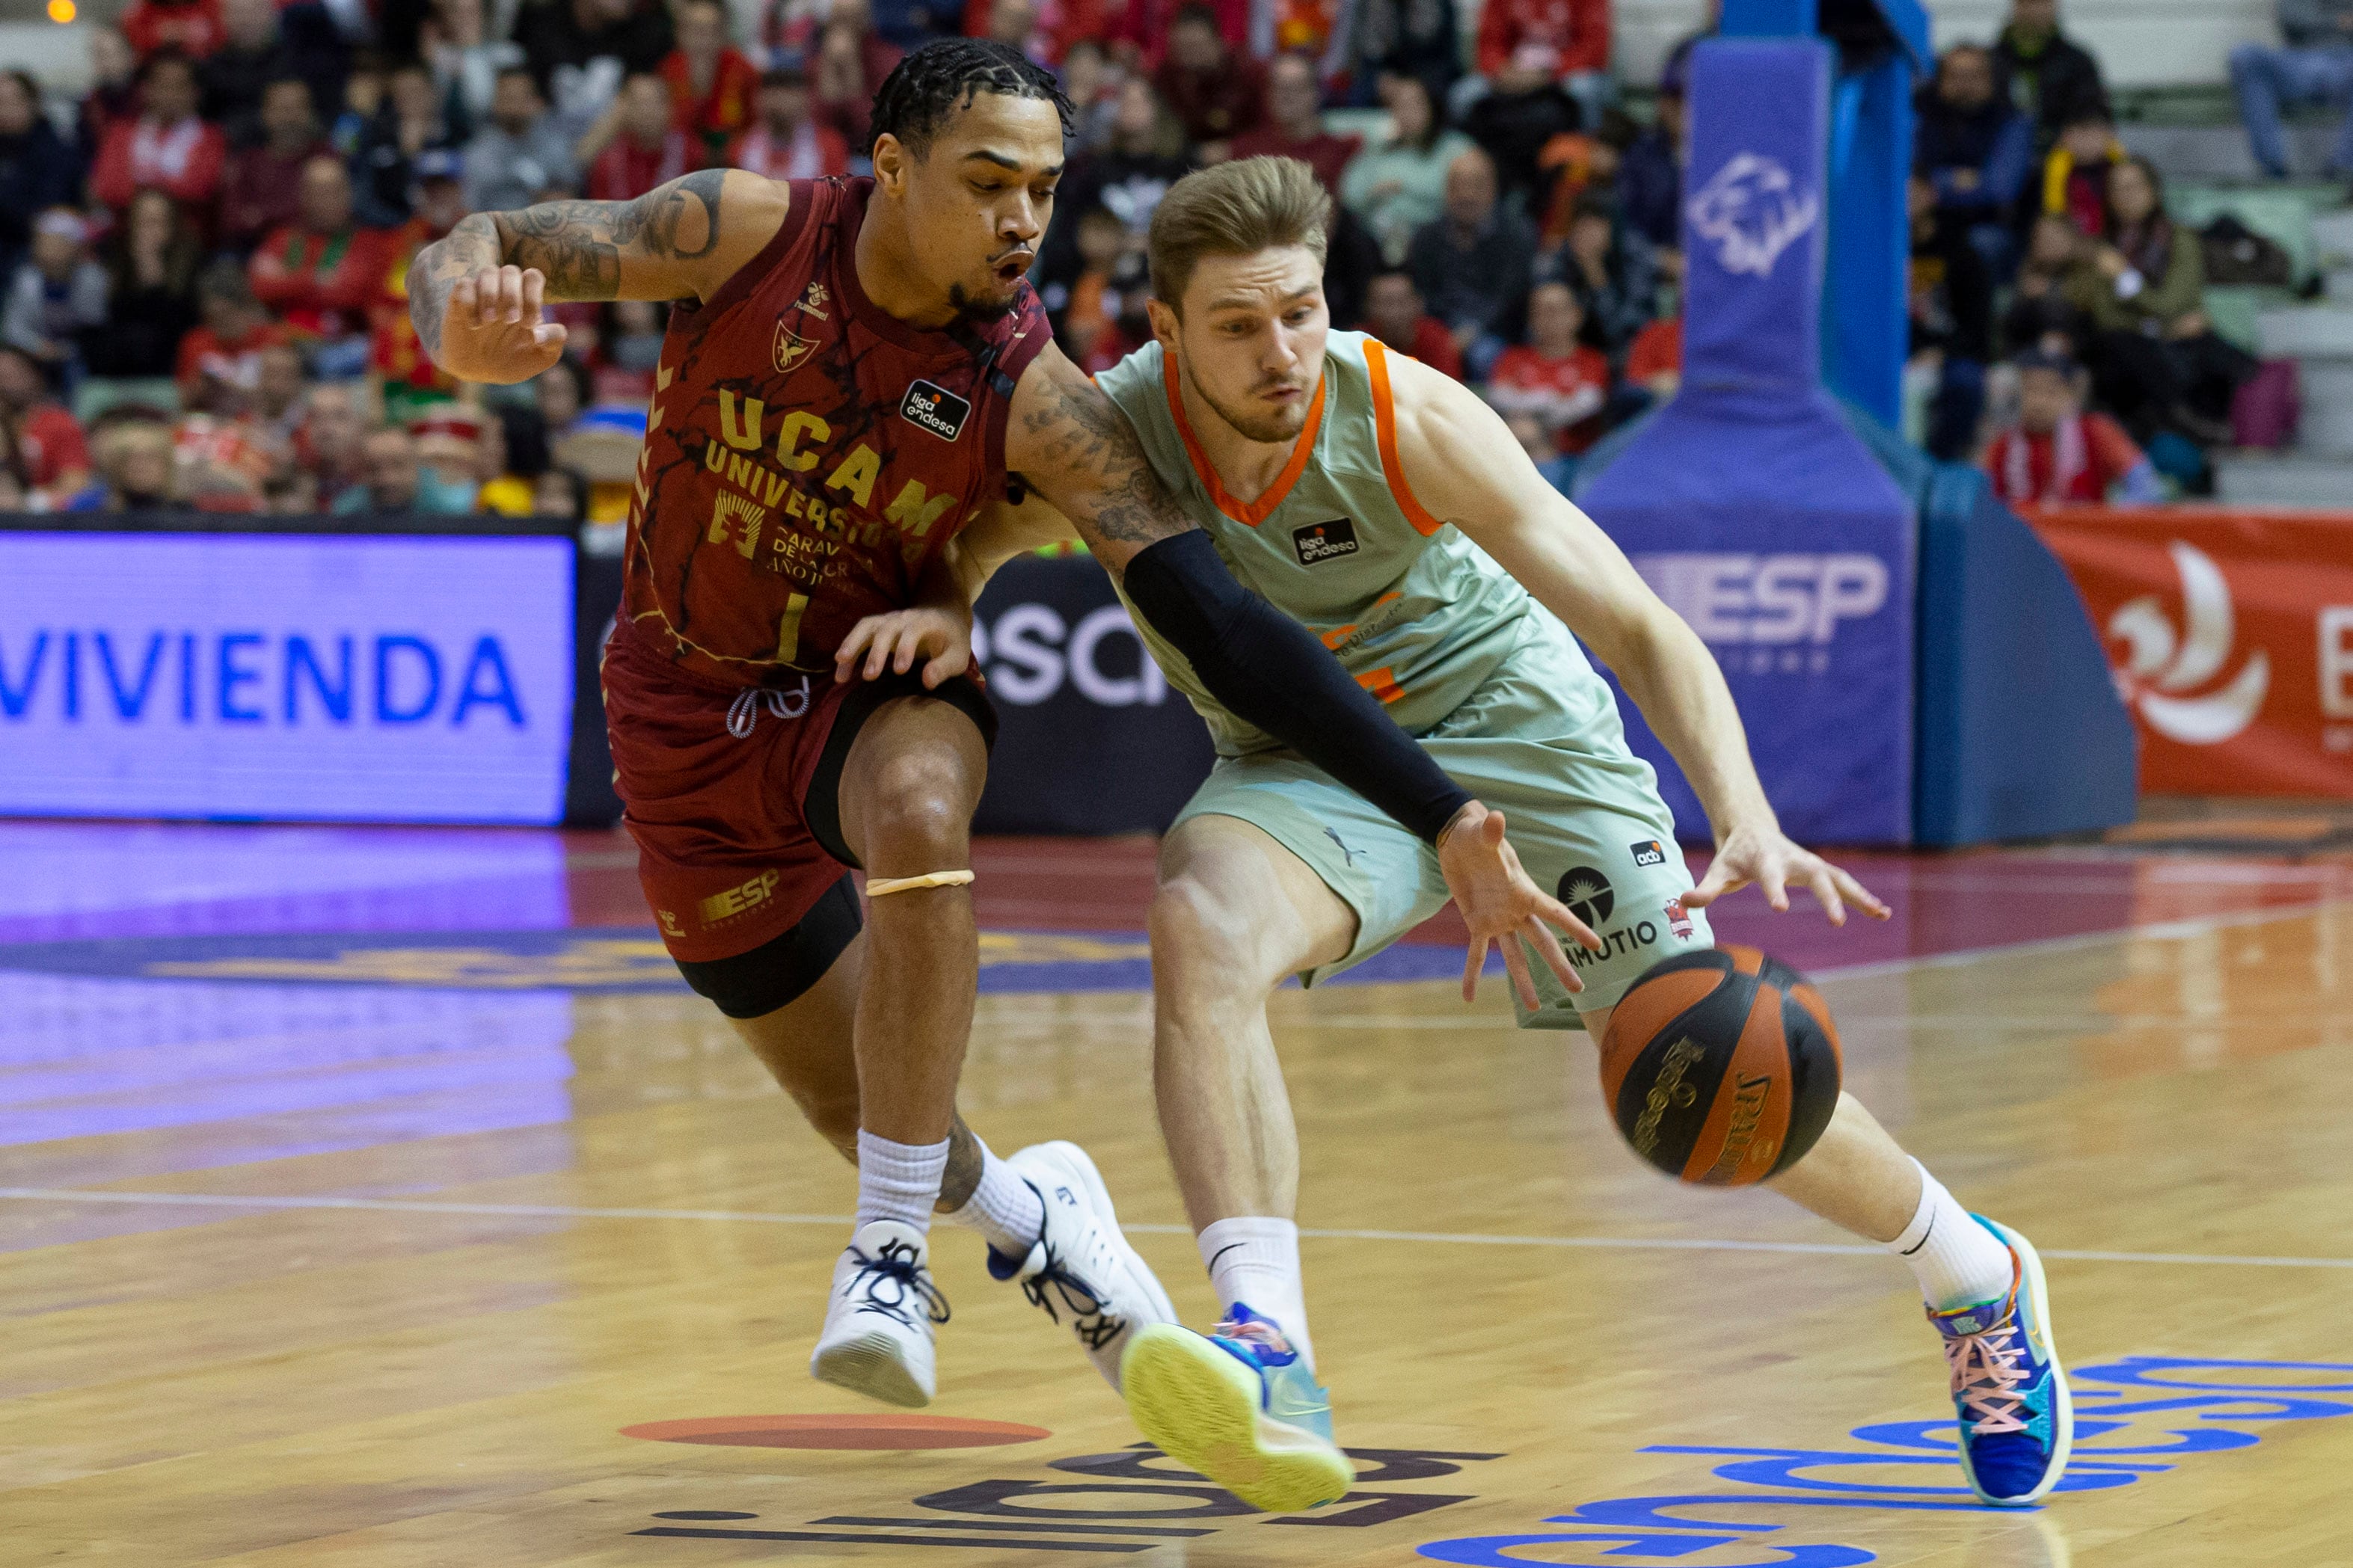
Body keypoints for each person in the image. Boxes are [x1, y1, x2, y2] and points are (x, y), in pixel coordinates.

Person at [408, 37, 1573, 1410]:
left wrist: (1440, 807)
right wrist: (453, 319)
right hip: (673, 714)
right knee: (864, 1108)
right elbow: (481, 238)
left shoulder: (1043, 402)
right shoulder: (741, 229)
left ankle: (888, 1259)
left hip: (875, 676)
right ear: (890, 168)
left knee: (914, 810)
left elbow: (1231, 628)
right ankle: (1040, 1223)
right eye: (988, 182)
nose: (1023, 218)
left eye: (1045, 186)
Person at [948, 155, 2070, 1518]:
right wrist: (934, 613)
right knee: (1198, 925)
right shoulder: (1108, 432)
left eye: (1300, 311)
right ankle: (1268, 1344)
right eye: (1238, 325)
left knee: (1690, 1044)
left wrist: (1747, 808)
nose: (1282, 350)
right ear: (1165, 329)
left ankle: (1971, 1271)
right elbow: (964, 538)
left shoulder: (1406, 415)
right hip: (1309, 762)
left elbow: (1640, 624)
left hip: (1512, 726)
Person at [2064, 156, 2252, 445]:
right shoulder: (2102, 247)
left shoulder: (2181, 240)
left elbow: (2172, 303)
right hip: (2134, 349)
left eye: (2134, 187)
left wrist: (2126, 279)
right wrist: (2158, 325)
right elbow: (2108, 317)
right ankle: (2180, 420)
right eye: (2118, 190)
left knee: (2219, 354)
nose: (2127, 197)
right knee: (2118, 345)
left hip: (2177, 346)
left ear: (2153, 191)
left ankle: (2216, 432)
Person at [1405, 144, 1536, 378]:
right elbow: (1423, 292)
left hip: (1497, 332)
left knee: (1485, 355)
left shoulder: (1516, 233)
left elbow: (1508, 297)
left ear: (1493, 189)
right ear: (1446, 190)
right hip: (1439, 327)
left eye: (1476, 185)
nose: (1466, 195)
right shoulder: (1427, 236)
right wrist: (1442, 332)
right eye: (1457, 186)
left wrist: (1471, 331)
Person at [1984, 345, 2162, 505]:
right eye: (2030, 390)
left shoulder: (2095, 431)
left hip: (2086, 537)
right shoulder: (2002, 444)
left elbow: (2143, 482)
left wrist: (2116, 517)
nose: (2039, 402)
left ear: (2070, 396)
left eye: (2051, 392)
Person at [248, 153, 393, 345]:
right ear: (303, 195)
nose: (327, 200)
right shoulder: (281, 240)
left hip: (341, 347)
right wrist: (315, 279)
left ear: (349, 193)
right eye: (318, 192)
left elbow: (352, 293)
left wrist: (288, 282)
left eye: (334, 191)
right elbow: (260, 287)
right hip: (286, 344)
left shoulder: (370, 242)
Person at [1915, 43, 2032, 279]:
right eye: (1955, 75)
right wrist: (1955, 180)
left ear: (1990, 79)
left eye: (1974, 76)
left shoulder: (2011, 121)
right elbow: (1906, 180)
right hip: (1926, 222)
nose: (1964, 84)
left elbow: (2000, 188)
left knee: (1979, 246)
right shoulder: (1919, 114)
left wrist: (1934, 183)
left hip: (1984, 224)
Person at [1340, 71, 1476, 266]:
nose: (1407, 113)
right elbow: (1350, 194)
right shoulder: (1378, 150)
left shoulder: (1456, 148)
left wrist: (1403, 188)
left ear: (1432, 106)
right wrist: (1374, 193)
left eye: (1415, 104)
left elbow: (1465, 195)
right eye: (1400, 106)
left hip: (1437, 242)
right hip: (1374, 242)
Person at [1907, 172, 1993, 462]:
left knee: (1966, 381)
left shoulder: (1961, 253)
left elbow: (1977, 324)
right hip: (1896, 354)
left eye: (1914, 191)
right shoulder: (1874, 251)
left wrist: (1942, 353)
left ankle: (1943, 465)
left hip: (1950, 353)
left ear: (1931, 194)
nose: (1907, 200)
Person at [81, 188, 203, 387]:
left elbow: (181, 331)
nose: (149, 231)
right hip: (117, 374)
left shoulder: (192, 265)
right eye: (143, 222)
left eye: (157, 222)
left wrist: (155, 279)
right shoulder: (115, 262)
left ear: (172, 226)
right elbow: (107, 325)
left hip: (168, 374)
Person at [89, 50, 230, 218]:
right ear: (146, 90)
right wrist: (169, 186)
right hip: (124, 232)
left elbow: (200, 188)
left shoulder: (211, 137)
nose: (170, 95)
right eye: (162, 86)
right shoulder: (121, 133)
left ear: (196, 92)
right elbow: (108, 187)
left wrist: (141, 184)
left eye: (180, 87)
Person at [2229, 0, 2353, 182]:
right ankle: (2273, 169)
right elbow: (2294, 17)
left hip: (2345, 63)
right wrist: (2340, 21)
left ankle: (2343, 169)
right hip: (2297, 62)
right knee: (2245, 56)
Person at [199, 0, 346, 148]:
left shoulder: (300, 62)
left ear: (273, 15)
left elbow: (324, 115)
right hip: (230, 154)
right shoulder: (210, 70)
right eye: (238, 13)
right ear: (222, 18)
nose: (246, 20)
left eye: (255, 11)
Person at [1482, 278, 1608, 450]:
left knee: (1526, 431)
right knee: (1520, 431)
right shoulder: (1513, 357)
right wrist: (1549, 400)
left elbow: (1587, 404)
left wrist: (1532, 407)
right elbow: (1499, 397)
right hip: (1518, 437)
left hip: (1573, 454)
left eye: (1556, 310)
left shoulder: (1591, 361)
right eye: (1540, 311)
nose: (1549, 318)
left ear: (1577, 315)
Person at [218, 76, 328, 253]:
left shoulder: (326, 158)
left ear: (310, 113)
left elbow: (326, 214)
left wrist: (261, 215)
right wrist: (294, 211)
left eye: (299, 108)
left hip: (317, 248)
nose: (291, 118)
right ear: (266, 114)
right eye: (283, 109)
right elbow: (232, 221)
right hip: (252, 251)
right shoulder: (247, 162)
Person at [1229, 52, 1360, 197]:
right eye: (1278, 87)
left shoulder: (1339, 153)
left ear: (1316, 93)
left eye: (1295, 88)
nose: (1286, 96)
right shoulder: (1245, 149)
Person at [1550, 191, 1657, 361]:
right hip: (1572, 355)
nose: (1586, 234)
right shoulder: (1563, 259)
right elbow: (1546, 321)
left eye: (1594, 225)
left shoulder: (1635, 256)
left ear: (1612, 228)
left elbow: (1627, 331)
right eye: (1580, 225)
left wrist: (1596, 276)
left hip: (1622, 356)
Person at [1992, 0, 2106, 154]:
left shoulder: (2077, 61)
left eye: (2042, 3)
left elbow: (2092, 111)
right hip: (2000, 152)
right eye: (2028, 3)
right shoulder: (1990, 61)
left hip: (2063, 153)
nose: (2035, 11)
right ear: (2015, 6)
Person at [3, 211, 109, 375]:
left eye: (57, 244)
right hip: (35, 357)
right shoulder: (26, 279)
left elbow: (97, 329)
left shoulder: (93, 278)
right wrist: (38, 346)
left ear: (75, 247)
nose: (49, 251)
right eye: (44, 243)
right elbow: (12, 328)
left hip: (82, 358)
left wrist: (66, 351)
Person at [1152, 4, 1264, 159]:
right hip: (1183, 159)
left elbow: (1268, 129)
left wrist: (1234, 148)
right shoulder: (1167, 76)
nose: (1188, 56)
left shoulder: (1246, 74)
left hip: (1241, 160)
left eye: (1195, 47)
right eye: (1181, 47)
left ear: (1217, 42)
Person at [353, 59, 455, 227]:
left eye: (415, 91)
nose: (409, 99)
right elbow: (366, 197)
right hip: (391, 231)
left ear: (432, 94)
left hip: (442, 231)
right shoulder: (377, 137)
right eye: (401, 94)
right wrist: (407, 155)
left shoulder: (450, 137)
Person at [177, 256, 289, 405]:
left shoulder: (273, 341)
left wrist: (232, 385)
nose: (218, 323)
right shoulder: (195, 343)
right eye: (211, 317)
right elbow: (184, 402)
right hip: (211, 422)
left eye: (225, 315)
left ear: (245, 309)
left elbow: (282, 400)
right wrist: (201, 388)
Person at [466, 66, 579, 213]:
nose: (515, 107)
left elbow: (570, 196)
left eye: (522, 98)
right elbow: (470, 210)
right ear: (495, 103)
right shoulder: (477, 154)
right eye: (508, 98)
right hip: (495, 231)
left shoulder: (556, 146)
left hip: (546, 227)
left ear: (536, 102)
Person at [0, 72, 81, 276]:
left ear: (33, 103)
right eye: (1, 102)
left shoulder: (55, 149)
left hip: (32, 246)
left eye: (14, 101)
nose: (6, 110)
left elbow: (49, 209)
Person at [661, 0, 761, 165]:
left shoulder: (743, 70)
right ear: (679, 33)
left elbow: (757, 126)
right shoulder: (668, 71)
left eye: (711, 31)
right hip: (682, 165)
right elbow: (668, 131)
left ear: (724, 34)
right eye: (696, 30)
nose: (703, 39)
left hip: (735, 163)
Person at [585, 73, 702, 201]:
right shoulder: (607, 162)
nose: (647, 112)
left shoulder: (690, 152)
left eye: (655, 103)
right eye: (640, 104)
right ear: (625, 110)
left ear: (670, 107)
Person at [0, 343, 93, 504]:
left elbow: (75, 482)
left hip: (41, 516)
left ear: (36, 376)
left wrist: (29, 501)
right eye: (2, 376)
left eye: (15, 374)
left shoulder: (59, 423)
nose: (8, 383)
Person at [726, 66, 850, 182]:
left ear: (807, 99)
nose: (780, 100)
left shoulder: (830, 146)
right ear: (757, 100)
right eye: (772, 92)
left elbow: (838, 197)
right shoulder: (739, 148)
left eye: (788, 92)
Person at [1361, 267, 1462, 378]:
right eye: (1386, 303)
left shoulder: (1437, 340)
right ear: (1369, 307)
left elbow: (1450, 388)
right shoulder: (1359, 343)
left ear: (1418, 303)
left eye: (1402, 302)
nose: (1395, 313)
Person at [334, 422, 429, 512]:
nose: (387, 479)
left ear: (417, 466)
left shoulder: (441, 511)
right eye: (374, 469)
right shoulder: (345, 513)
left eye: (398, 466)